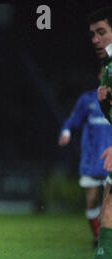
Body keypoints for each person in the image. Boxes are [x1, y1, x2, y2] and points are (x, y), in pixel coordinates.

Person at [67, 7, 112, 259]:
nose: (95, 39)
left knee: (108, 211)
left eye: (102, 32)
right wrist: (105, 106)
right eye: (93, 34)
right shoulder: (108, 69)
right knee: (107, 207)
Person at [58, 69, 112, 247]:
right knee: (91, 200)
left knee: (108, 205)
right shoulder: (88, 99)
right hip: (91, 161)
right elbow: (73, 120)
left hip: (110, 161)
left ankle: (104, 239)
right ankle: (97, 236)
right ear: (99, 76)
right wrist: (66, 131)